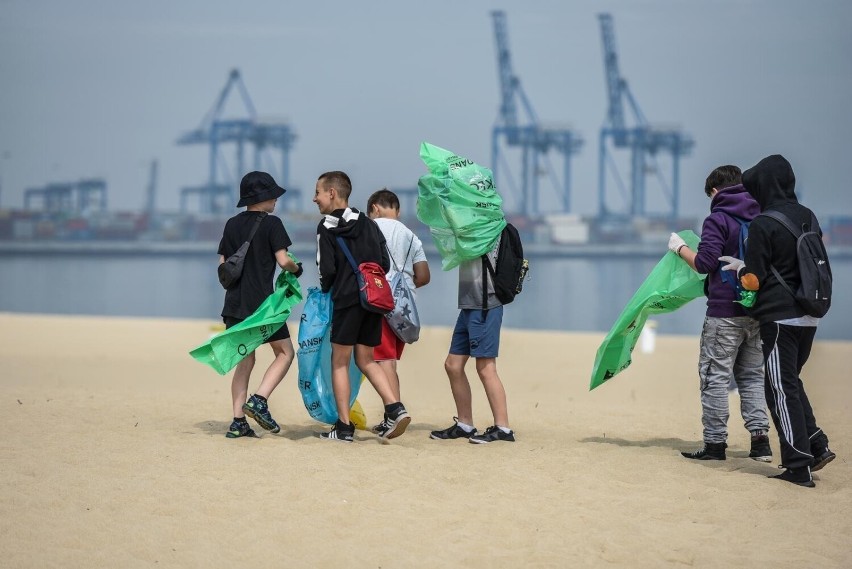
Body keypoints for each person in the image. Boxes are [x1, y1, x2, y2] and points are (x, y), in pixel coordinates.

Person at [720, 154, 836, 488]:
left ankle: (798, 466)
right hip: (810, 314)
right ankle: (816, 444)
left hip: (780, 318)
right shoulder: (807, 216)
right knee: (791, 382)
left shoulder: (763, 223)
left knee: (779, 389)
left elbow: (754, 279)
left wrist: (739, 268)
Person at [668, 165, 771, 462]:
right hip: (755, 309)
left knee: (715, 377)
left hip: (724, 312)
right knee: (751, 377)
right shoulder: (761, 216)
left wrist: (679, 248)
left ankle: (714, 445)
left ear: (715, 191)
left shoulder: (718, 218)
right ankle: (760, 442)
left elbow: (705, 263)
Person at [313, 171, 412, 442]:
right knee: (367, 359)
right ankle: (395, 407)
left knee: (339, 362)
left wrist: (328, 289)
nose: (314, 198)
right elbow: (385, 263)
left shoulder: (326, 227)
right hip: (374, 301)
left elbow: (327, 271)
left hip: (346, 300)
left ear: (332, 193)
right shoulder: (369, 224)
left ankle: (343, 427)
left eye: (318, 192)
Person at [217, 171, 303, 438]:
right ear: (263, 198)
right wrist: (296, 268)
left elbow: (222, 264)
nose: (276, 200)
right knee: (285, 353)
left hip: (234, 304)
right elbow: (282, 260)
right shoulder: (272, 224)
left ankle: (238, 421)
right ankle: (260, 399)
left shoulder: (231, 224)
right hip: (263, 306)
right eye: (273, 195)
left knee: (245, 360)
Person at [430, 230, 514, 444]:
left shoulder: (488, 226)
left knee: (486, 367)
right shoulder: (472, 223)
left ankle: (503, 428)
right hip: (469, 303)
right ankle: (465, 424)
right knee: (453, 364)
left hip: (486, 303)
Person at [366, 189, 430, 435]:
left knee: (383, 362)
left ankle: (395, 413)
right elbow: (423, 276)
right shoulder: (412, 236)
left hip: (379, 302)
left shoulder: (370, 228)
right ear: (398, 210)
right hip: (405, 308)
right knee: (389, 360)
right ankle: (391, 414)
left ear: (375, 208)